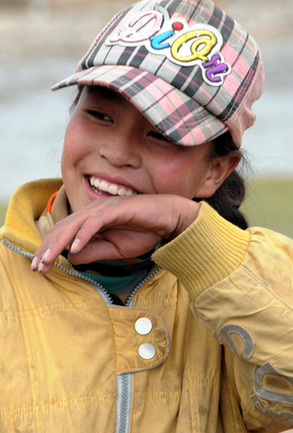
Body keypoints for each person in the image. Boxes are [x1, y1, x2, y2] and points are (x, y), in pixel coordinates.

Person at [1, 0, 293, 431]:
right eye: (99, 114)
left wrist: (189, 229)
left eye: (161, 134)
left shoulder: (241, 294)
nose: (116, 153)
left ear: (215, 171)